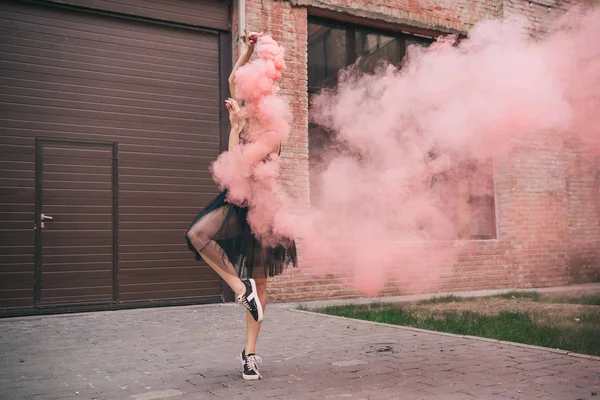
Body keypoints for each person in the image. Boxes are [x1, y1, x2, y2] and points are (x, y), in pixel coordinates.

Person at [185, 32, 297, 381]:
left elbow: (236, 163)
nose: (251, 102)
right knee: (198, 234)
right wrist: (248, 50)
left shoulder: (272, 137)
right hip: (237, 202)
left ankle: (249, 355)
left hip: (263, 211)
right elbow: (235, 78)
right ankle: (239, 289)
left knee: (261, 287)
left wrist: (234, 129)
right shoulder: (248, 120)